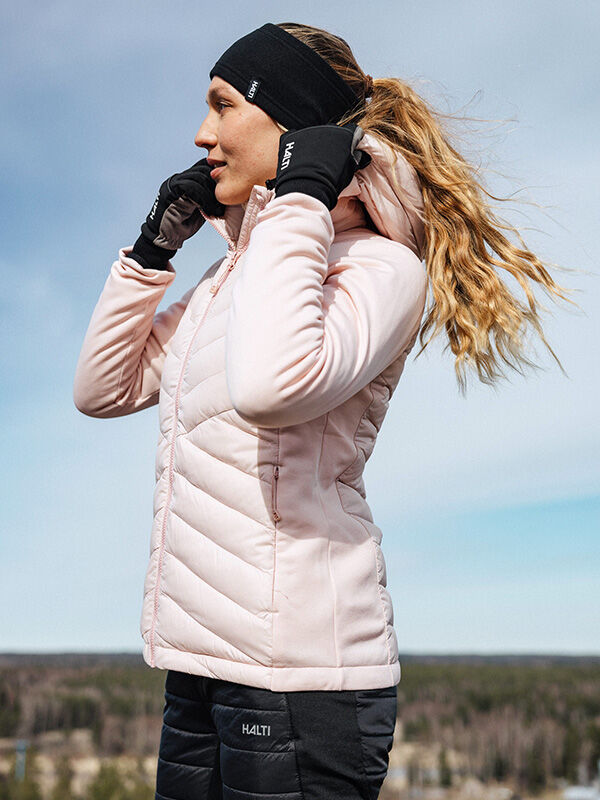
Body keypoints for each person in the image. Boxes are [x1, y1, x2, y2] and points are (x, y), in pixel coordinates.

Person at [73, 21, 575, 800]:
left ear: (291, 123)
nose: (201, 134)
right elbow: (102, 390)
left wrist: (301, 197)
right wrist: (151, 252)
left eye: (222, 104)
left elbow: (270, 388)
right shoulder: (231, 283)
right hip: (202, 670)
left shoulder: (380, 268)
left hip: (302, 681)